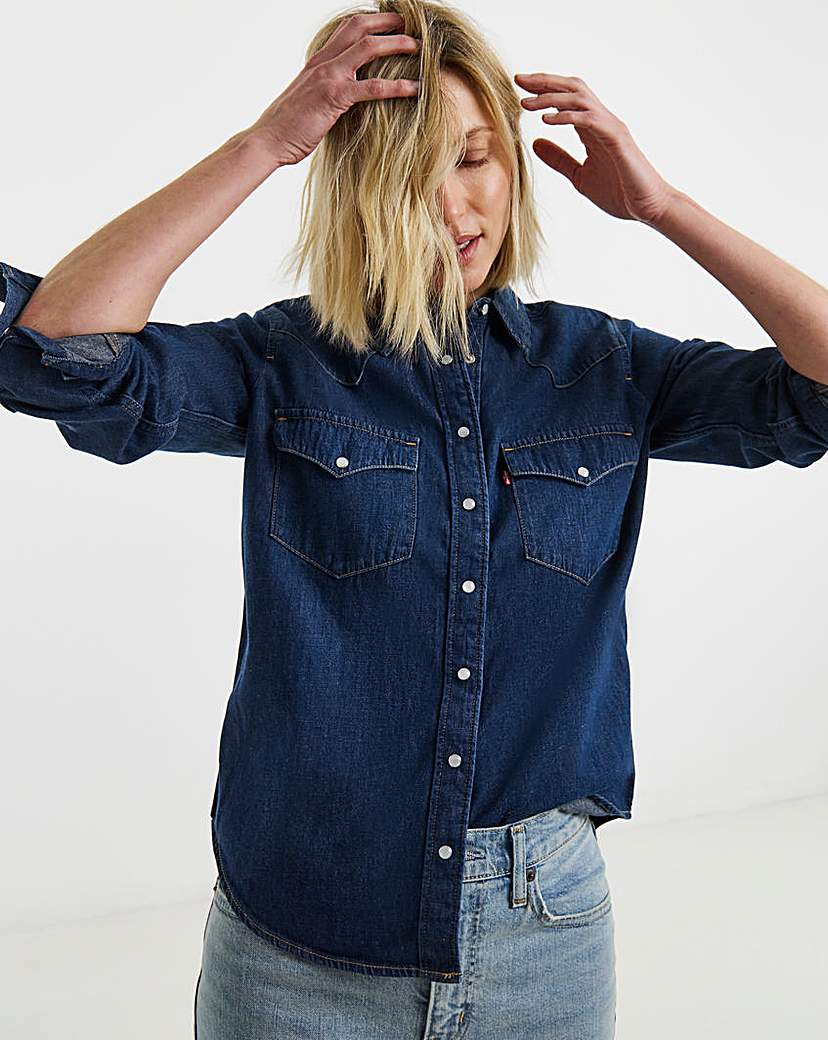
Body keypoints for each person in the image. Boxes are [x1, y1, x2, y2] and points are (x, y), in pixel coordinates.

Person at [2, 2, 827, 1038]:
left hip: (544, 929)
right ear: (356, 192)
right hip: (299, 936)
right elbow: (57, 358)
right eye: (407, 173)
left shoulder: (605, 368)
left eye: (476, 159)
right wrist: (265, 145)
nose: (452, 205)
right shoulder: (281, 364)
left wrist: (662, 206)